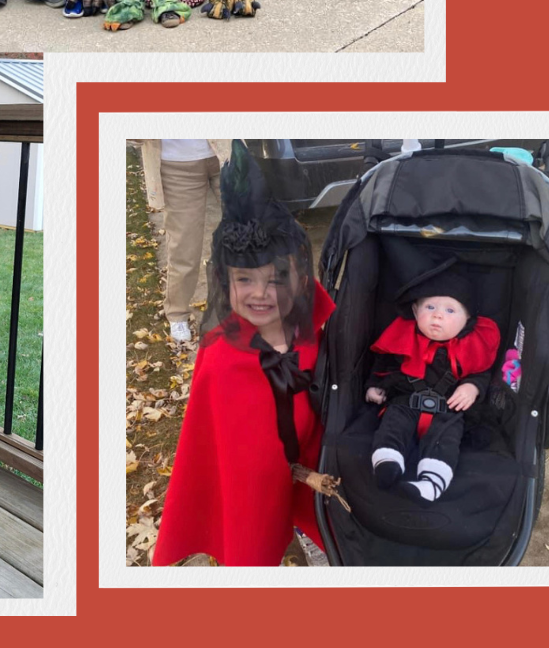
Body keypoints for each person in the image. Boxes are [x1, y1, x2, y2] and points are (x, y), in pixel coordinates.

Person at [153, 143, 341, 566]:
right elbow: (224, 444)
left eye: (276, 278)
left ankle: (298, 530)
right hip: (254, 480)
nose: (261, 293)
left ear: (299, 277)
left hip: (312, 461)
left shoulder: (314, 331)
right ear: (224, 281)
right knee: (255, 531)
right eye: (244, 280)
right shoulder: (223, 359)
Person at [364, 264, 501, 503]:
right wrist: (374, 385)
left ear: (468, 319)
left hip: (448, 410)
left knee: (445, 437)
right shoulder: (402, 337)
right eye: (430, 307)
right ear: (416, 312)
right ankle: (387, 461)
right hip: (404, 401)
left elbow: (481, 372)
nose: (438, 315)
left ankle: (431, 483)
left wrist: (472, 387)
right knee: (393, 423)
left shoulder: (472, 346)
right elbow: (383, 366)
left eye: (450, 310)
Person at [136, 139, 234, 345]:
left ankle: (247, 303)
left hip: (226, 153)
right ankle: (177, 313)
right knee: (185, 247)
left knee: (248, 232)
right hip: (176, 165)